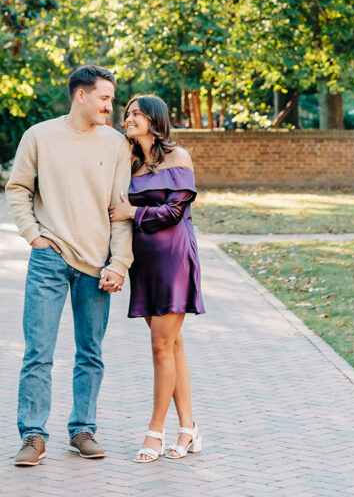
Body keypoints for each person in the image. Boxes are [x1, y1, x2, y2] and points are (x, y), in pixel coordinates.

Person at [5, 65, 133, 467]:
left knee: (90, 352)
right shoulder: (39, 136)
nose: (111, 107)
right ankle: (32, 437)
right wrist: (33, 236)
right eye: (105, 98)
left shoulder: (115, 145)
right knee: (38, 351)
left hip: (97, 265)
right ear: (81, 95)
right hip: (50, 257)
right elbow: (18, 188)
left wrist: (120, 263)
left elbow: (120, 211)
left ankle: (82, 430)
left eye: (111, 99)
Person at [109, 93, 205, 462]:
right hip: (142, 261)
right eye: (127, 113)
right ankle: (189, 428)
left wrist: (132, 213)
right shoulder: (128, 162)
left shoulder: (178, 158)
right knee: (173, 345)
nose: (128, 119)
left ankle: (155, 433)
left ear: (154, 119)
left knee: (160, 346)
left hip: (173, 257)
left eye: (135, 114)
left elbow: (175, 210)